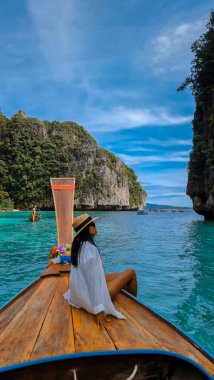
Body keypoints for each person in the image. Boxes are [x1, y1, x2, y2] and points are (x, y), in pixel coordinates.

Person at [64, 213, 138, 326]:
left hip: (79, 295)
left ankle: (125, 295)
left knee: (116, 276)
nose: (96, 227)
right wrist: (99, 311)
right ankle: (135, 307)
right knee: (130, 272)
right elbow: (93, 283)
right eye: (94, 224)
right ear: (89, 228)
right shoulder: (91, 249)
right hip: (90, 299)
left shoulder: (79, 245)